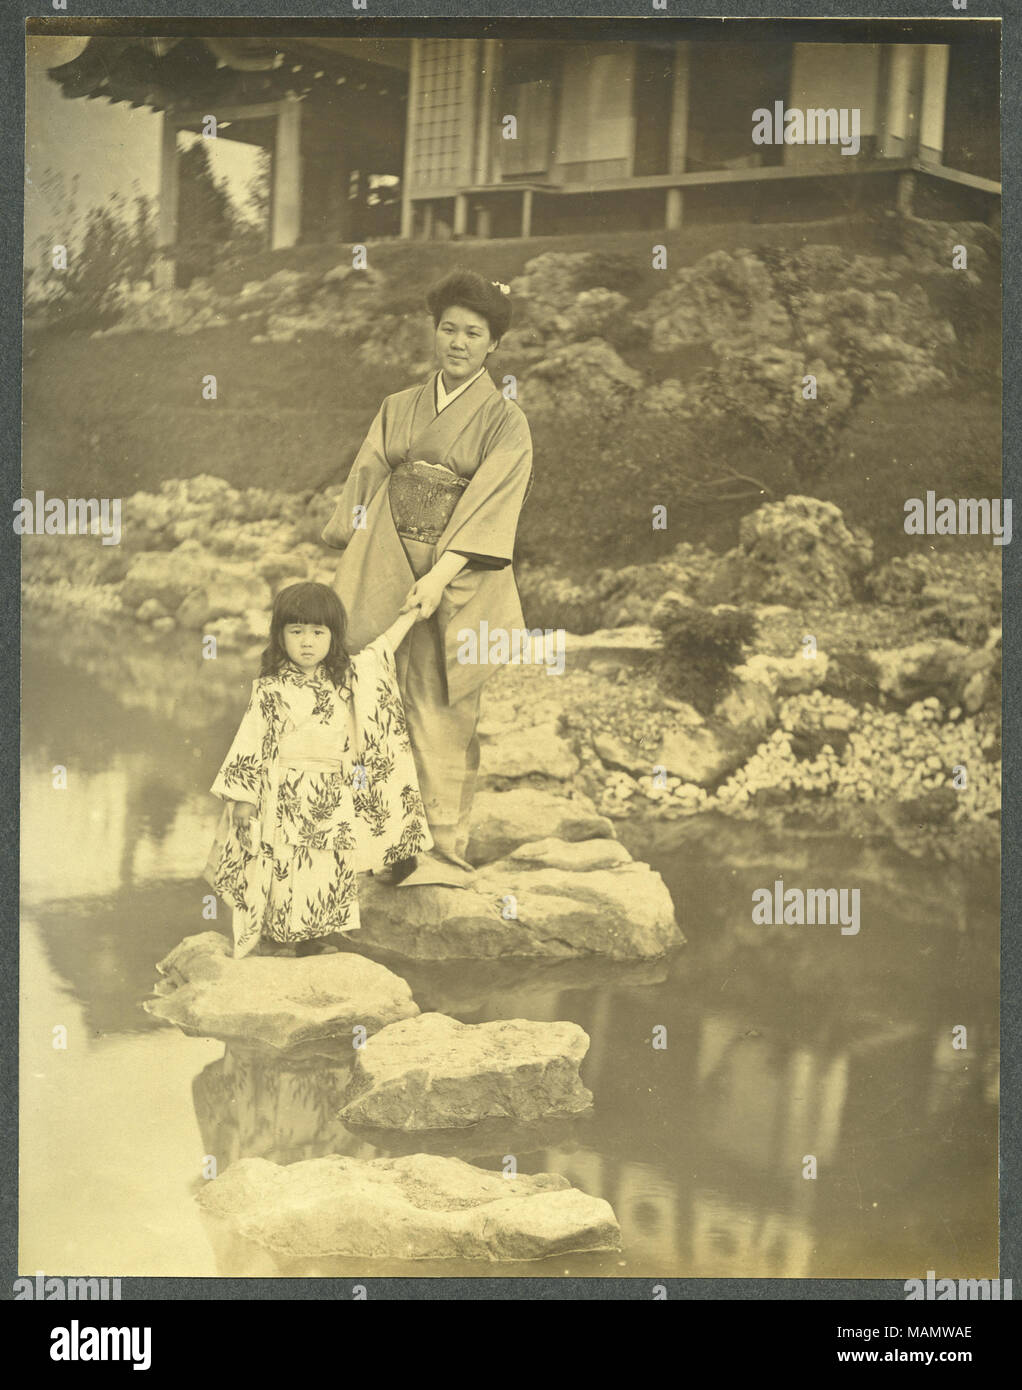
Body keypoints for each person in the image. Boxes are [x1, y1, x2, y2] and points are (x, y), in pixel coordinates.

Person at [322, 269, 533, 888]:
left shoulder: (505, 422)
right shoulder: (398, 408)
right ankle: (384, 841)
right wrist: (355, 558)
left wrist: (440, 574)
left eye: (473, 332)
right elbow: (366, 485)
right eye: (448, 329)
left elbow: (493, 505)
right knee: (369, 690)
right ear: (433, 332)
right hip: (387, 555)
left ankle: (443, 848)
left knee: (442, 703)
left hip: (461, 571)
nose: (458, 342)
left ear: (493, 344)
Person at [205, 581, 431, 958]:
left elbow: (379, 653)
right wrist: (243, 799)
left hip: (332, 792)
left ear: (333, 637)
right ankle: (278, 935)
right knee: (283, 865)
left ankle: (313, 938)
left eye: (317, 632)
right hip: (284, 792)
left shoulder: (344, 681)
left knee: (326, 864)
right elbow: (251, 742)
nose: (306, 642)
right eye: (296, 632)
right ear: (280, 636)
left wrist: (410, 615)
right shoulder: (270, 690)